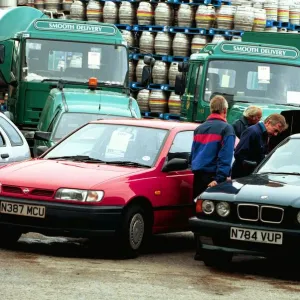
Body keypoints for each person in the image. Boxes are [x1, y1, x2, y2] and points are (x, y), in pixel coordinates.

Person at [191, 95, 235, 198]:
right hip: (214, 178)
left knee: (198, 209)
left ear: (211, 109)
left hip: (198, 177)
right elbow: (225, 156)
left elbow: (194, 153)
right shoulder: (226, 129)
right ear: (225, 110)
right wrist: (219, 179)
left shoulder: (199, 128)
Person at [231, 113, 288, 179]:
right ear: (268, 122)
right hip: (243, 175)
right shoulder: (252, 131)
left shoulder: (264, 134)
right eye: (275, 130)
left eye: (278, 132)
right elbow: (239, 153)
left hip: (252, 174)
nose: (275, 134)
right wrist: (252, 165)